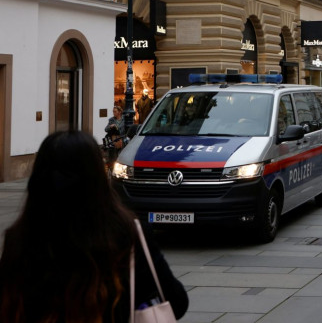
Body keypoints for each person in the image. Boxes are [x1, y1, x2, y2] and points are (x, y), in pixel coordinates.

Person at [0, 131, 188, 322]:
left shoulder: (19, 239)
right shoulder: (126, 235)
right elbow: (177, 302)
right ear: (98, 179)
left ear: (38, 180)